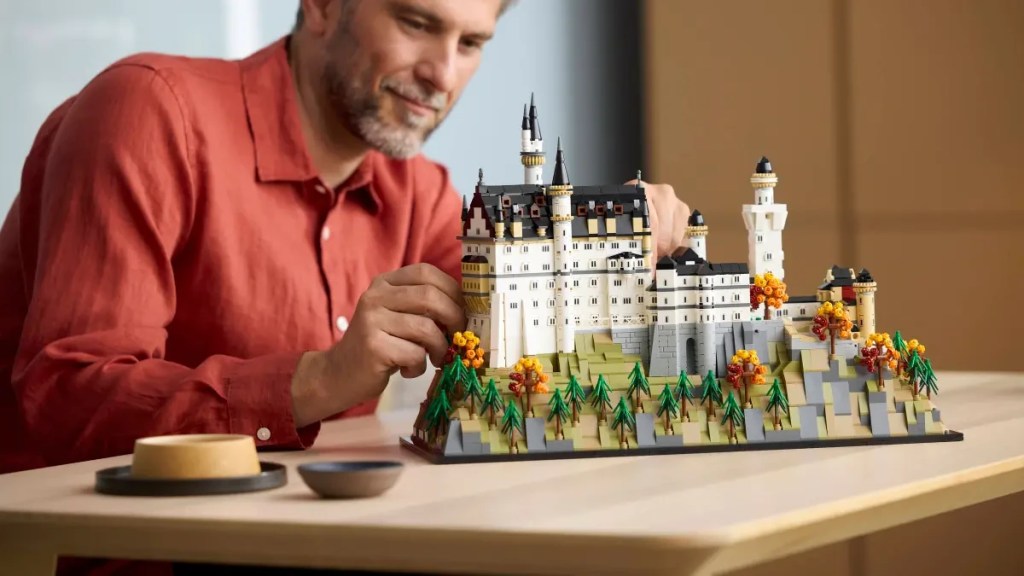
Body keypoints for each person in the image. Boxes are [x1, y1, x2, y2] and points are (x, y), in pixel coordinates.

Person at [0, 0, 690, 476]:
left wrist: (617, 232)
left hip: (320, 545)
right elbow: (65, 398)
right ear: (323, 5)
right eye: (416, 22)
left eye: (471, 43)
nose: (443, 74)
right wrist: (317, 380)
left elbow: (527, 307)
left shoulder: (418, 192)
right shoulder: (151, 114)